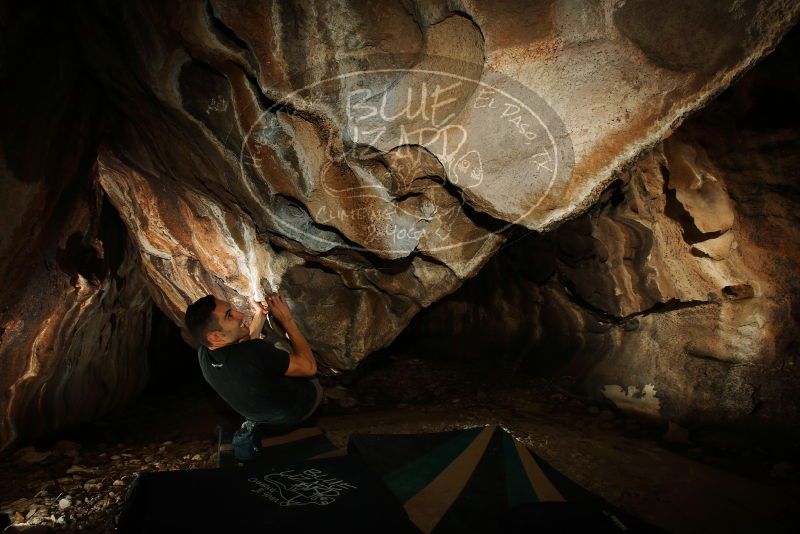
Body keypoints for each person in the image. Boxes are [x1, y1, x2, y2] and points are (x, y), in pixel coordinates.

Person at [184, 292, 322, 461]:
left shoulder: (204, 354)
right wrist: (287, 320)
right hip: (299, 410)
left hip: (263, 421)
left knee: (263, 361)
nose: (240, 315)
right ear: (215, 336)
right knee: (280, 346)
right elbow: (309, 368)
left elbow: (245, 351)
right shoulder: (255, 351)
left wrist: (261, 315)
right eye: (229, 316)